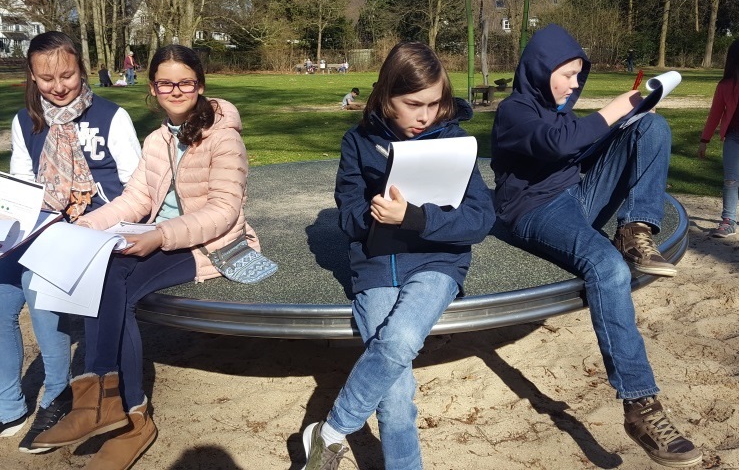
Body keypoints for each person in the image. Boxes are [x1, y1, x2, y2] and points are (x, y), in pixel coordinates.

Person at [30, 44, 260, 470]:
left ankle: (124, 413)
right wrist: (82, 228)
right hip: (158, 234)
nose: (176, 90)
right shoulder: (157, 139)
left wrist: (159, 235)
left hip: (213, 244)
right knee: (103, 271)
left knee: (116, 282)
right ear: (152, 89)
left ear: (200, 85)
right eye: (165, 83)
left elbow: (223, 210)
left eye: (185, 82)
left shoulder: (223, 138)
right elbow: (135, 198)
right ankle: (110, 402)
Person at [490, 24, 701, 468]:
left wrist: (630, 118)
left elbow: (576, 154)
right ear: (539, 70)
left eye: (577, 75)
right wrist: (617, 107)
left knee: (652, 127)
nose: (573, 84)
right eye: (565, 75)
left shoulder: (559, 107)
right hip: (533, 210)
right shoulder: (514, 111)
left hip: (576, 194)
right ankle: (641, 408)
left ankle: (635, 230)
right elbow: (555, 144)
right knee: (607, 270)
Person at [297, 42, 494, 470]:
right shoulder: (358, 141)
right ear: (387, 98)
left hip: (438, 263)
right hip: (376, 267)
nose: (426, 115)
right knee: (397, 394)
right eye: (413, 104)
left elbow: (480, 220)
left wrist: (416, 218)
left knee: (401, 339)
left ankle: (329, 434)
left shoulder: (456, 141)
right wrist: (374, 216)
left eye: (435, 103)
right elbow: (346, 213)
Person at [0, 31, 142, 454]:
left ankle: (57, 397)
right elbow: (20, 184)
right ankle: (8, 409)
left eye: (67, 75)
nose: (58, 86)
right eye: (46, 78)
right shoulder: (26, 121)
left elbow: (136, 188)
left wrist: (93, 220)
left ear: (82, 70)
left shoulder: (111, 117)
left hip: (88, 231)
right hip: (35, 229)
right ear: (32, 78)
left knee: (41, 301)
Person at [698, 39, 739, 237]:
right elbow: (715, 114)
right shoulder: (725, 86)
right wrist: (704, 140)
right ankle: (728, 220)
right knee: (730, 180)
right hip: (733, 138)